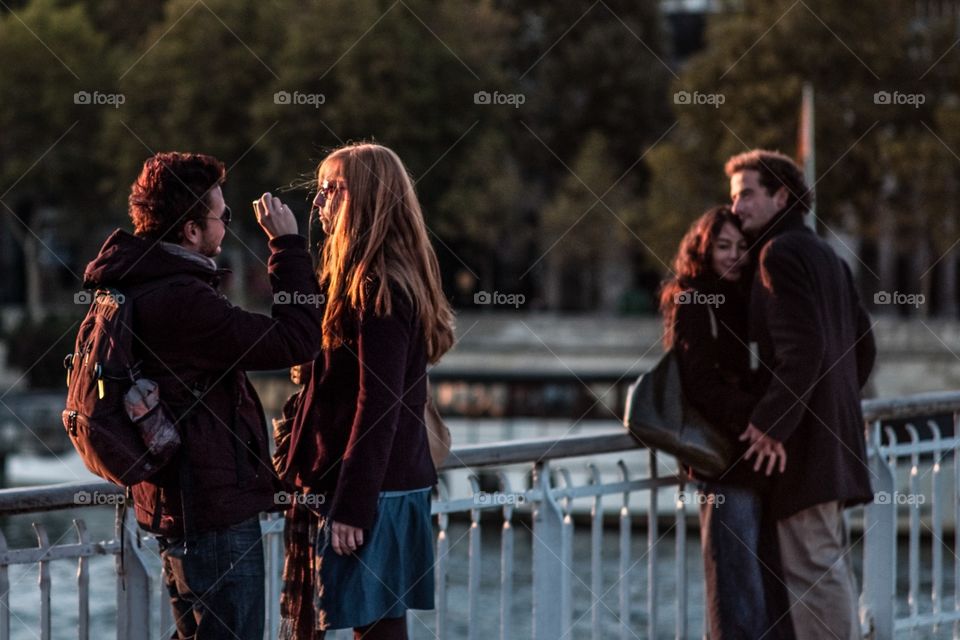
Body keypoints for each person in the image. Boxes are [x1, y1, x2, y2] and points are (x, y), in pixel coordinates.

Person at [82, 151, 324, 639]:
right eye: (223, 216)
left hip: (175, 508)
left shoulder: (134, 284)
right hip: (212, 513)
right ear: (192, 230)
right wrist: (289, 246)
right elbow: (296, 341)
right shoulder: (181, 300)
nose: (227, 226)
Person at [276, 143, 456, 639]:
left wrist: (354, 507)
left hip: (376, 493)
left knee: (375, 629)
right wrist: (287, 248)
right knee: (375, 625)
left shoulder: (380, 287)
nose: (319, 203)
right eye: (320, 191)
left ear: (370, 201)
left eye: (334, 190)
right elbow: (303, 330)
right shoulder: (359, 279)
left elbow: (380, 405)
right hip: (386, 487)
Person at [726, 149, 876, 639]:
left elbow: (804, 349)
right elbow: (863, 347)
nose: (737, 208)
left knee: (812, 571)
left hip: (805, 448)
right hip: (834, 440)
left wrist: (772, 424)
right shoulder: (827, 255)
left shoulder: (778, 254)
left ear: (780, 196)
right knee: (826, 563)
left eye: (747, 194)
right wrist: (837, 404)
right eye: (734, 197)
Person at [660, 206, 792, 640]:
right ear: (702, 248)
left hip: (751, 459)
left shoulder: (743, 298)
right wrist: (759, 424)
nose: (733, 256)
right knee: (738, 591)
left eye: (740, 247)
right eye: (722, 247)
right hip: (724, 459)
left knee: (761, 585)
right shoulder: (693, 298)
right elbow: (699, 383)